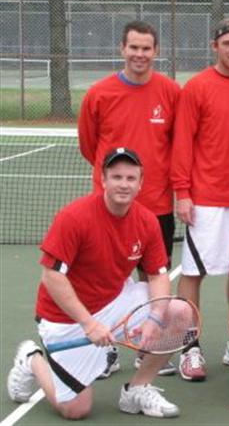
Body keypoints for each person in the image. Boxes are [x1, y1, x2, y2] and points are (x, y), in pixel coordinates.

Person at [6, 148, 182, 419]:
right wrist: (89, 323)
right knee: (76, 409)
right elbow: (52, 276)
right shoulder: (74, 217)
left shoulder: (146, 221)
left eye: (130, 178)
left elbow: (158, 275)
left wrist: (156, 318)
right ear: (103, 180)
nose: (124, 184)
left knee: (177, 312)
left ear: (140, 183)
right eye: (117, 177)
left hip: (113, 303)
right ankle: (32, 359)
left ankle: (137, 389)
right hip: (65, 319)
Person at [78, 20, 180, 377]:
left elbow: (177, 144)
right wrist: (118, 187)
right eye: (133, 47)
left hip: (158, 206)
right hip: (109, 210)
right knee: (109, 283)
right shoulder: (99, 93)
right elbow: (90, 148)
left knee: (154, 279)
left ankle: (146, 347)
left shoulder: (170, 91)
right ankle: (106, 353)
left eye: (146, 48)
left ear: (156, 51)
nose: (140, 54)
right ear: (122, 49)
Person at [171, 18, 229, 381]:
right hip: (206, 200)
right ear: (215, 47)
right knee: (194, 273)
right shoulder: (196, 88)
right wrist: (183, 193)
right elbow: (182, 143)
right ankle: (189, 349)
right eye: (228, 43)